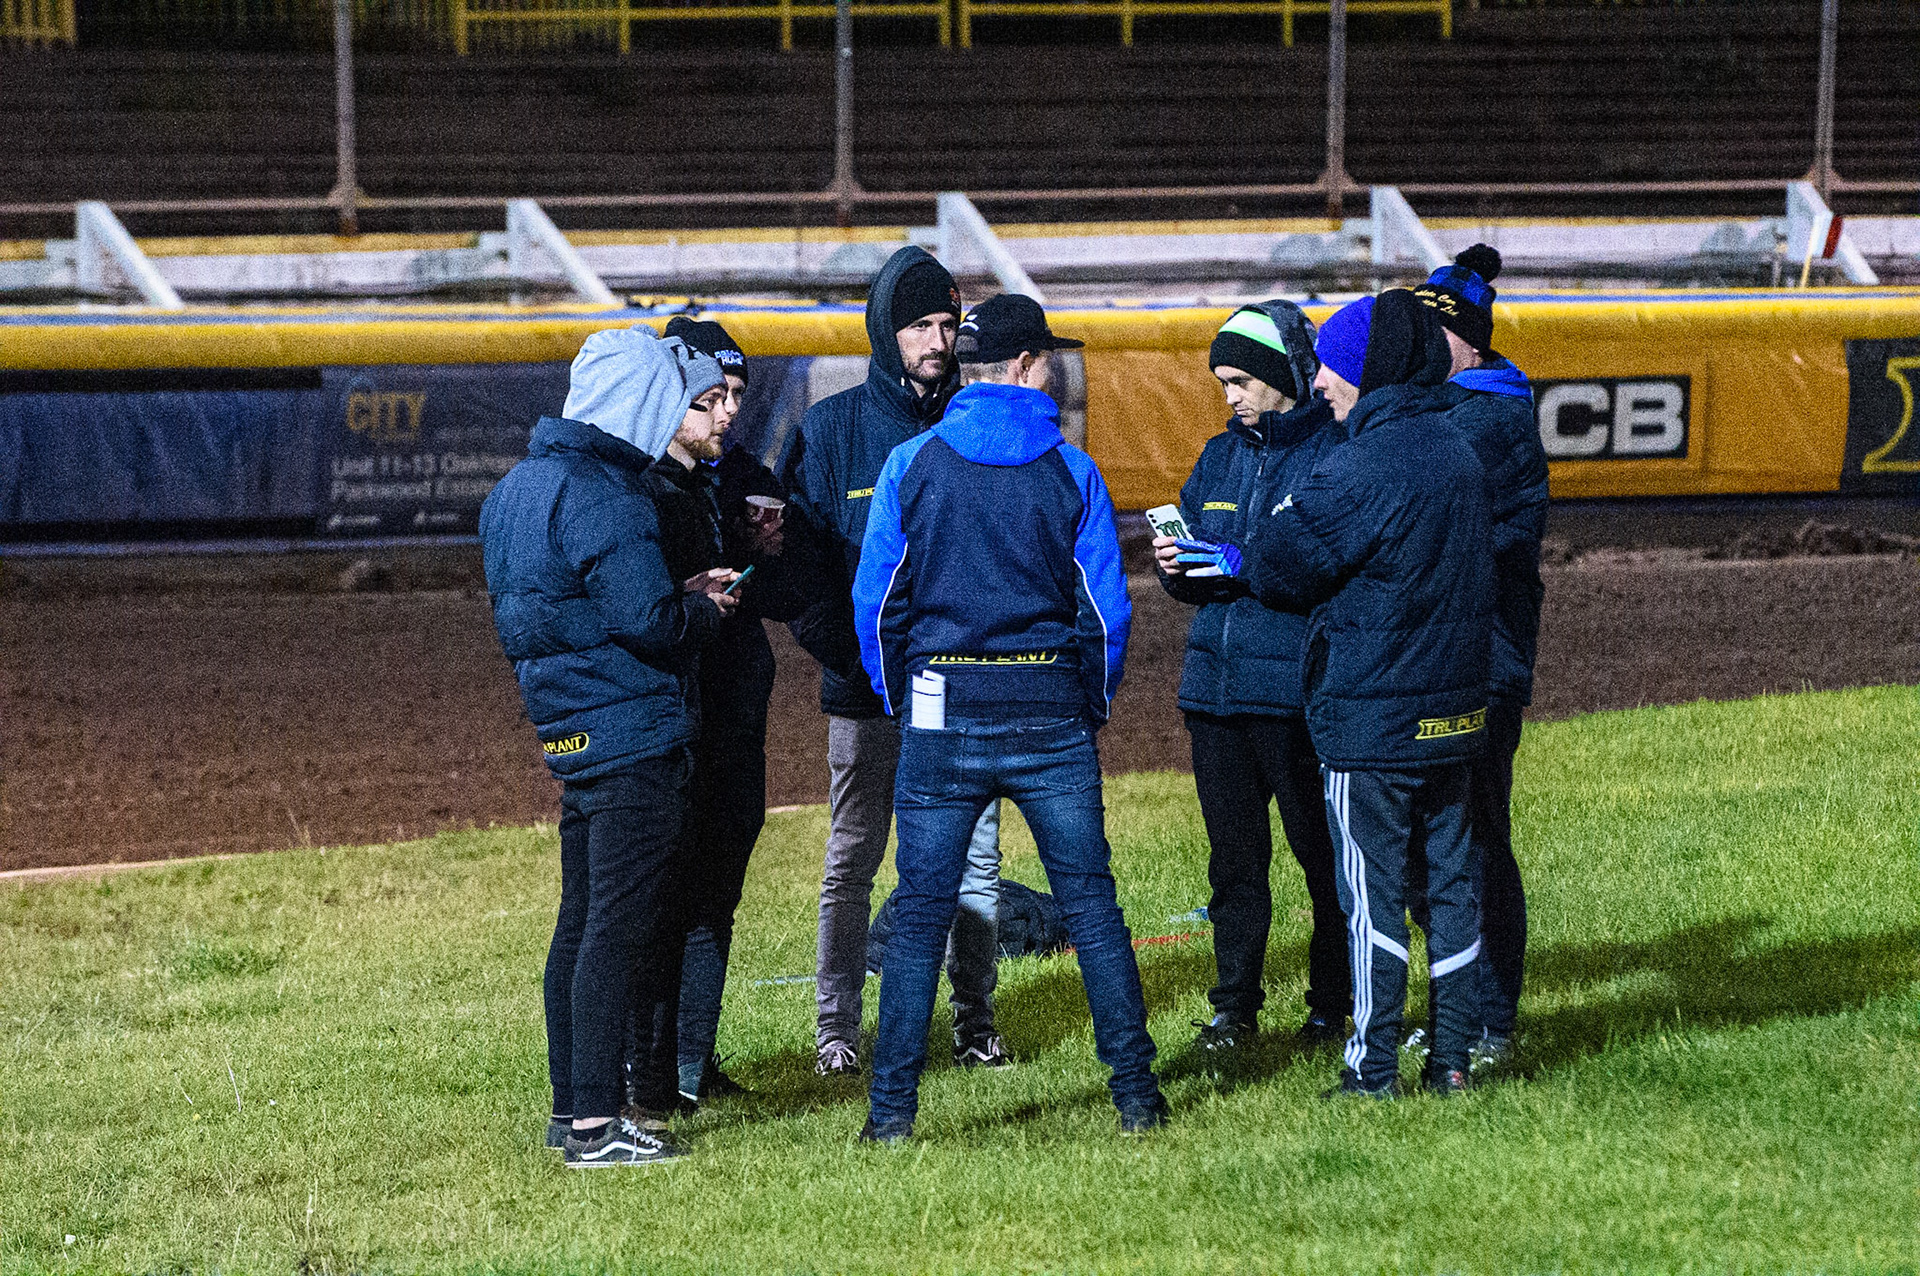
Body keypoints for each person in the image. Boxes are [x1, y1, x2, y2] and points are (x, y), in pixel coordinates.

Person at [851, 293, 1166, 1141]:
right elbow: (1105, 614)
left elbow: (877, 606)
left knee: (920, 912)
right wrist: (1085, 705)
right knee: (1092, 906)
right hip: (1049, 716)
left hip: (941, 714)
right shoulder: (1073, 469)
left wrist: (905, 704)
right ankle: (1137, 1098)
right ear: (1029, 366)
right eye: (1050, 358)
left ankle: (890, 1119)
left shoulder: (911, 462)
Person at [1199, 289, 1493, 1097]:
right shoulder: (1457, 451)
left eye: (1335, 363)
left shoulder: (1359, 465)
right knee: (1454, 892)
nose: (1321, 380)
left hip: (1375, 721)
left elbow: (1282, 563)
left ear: (1371, 366)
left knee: (1373, 900)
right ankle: (1455, 1059)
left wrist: (1242, 553)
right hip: (1457, 713)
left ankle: (1371, 1072)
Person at [478, 326, 737, 1167]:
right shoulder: (608, 495)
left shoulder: (516, 490)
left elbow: (562, 608)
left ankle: (569, 1110)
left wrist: (669, 593)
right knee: (617, 931)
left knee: (580, 922)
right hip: (634, 734)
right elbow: (651, 626)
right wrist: (701, 608)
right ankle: (595, 1125)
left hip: (570, 732)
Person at [779, 247, 1007, 1078]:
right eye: (920, 325)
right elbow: (796, 573)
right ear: (885, 332)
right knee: (853, 858)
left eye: (948, 324)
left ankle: (974, 1021)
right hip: (864, 695)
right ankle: (836, 1031)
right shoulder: (831, 432)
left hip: (961, 689)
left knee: (971, 857)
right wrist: (860, 660)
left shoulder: (975, 421)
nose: (938, 341)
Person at [1153, 302, 1351, 1057]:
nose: (1229, 396)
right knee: (1234, 867)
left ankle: (1332, 1007)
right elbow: (1198, 571)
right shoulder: (1218, 456)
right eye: (1221, 382)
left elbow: (1326, 567)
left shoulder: (1335, 454)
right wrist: (1180, 571)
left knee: (1321, 858)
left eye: (1240, 379)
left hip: (1295, 694)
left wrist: (1246, 566)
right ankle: (1233, 1011)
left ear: (1280, 376)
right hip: (1214, 692)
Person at [653, 314, 812, 1106]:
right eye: (716, 394)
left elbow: (781, 599)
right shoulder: (647, 480)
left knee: (717, 894)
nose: (730, 411)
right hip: (670, 718)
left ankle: (692, 1065)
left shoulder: (752, 474)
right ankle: (646, 1069)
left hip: (736, 718)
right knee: (660, 894)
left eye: (739, 394)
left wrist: (768, 554)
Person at [1412, 246, 1549, 1071]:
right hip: (1455, 659)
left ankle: (1490, 1020)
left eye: (1436, 335)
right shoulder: (1457, 410)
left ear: (1465, 343)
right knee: (1446, 843)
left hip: (1482, 665)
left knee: (1474, 842)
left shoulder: (1486, 420)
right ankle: (1467, 1011)